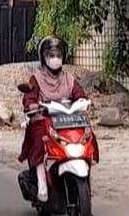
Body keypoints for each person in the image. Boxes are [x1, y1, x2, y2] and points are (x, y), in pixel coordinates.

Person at [19, 36, 91, 202]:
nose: (55, 59)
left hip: (68, 120)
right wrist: (32, 106)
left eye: (58, 55)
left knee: (87, 135)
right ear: (44, 58)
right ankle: (42, 183)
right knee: (39, 139)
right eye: (51, 55)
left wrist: (82, 101)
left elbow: (79, 93)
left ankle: (86, 181)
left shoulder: (68, 78)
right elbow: (29, 97)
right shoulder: (36, 78)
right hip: (43, 119)